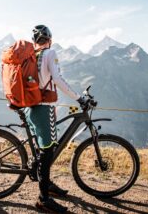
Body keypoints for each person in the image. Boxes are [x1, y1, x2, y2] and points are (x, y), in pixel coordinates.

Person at [24, 25, 86, 213]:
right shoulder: (50, 53)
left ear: (35, 41)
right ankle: (44, 199)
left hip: (31, 107)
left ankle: (47, 183)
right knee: (47, 152)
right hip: (44, 108)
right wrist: (79, 97)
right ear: (49, 39)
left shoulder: (30, 55)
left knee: (42, 148)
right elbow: (58, 79)